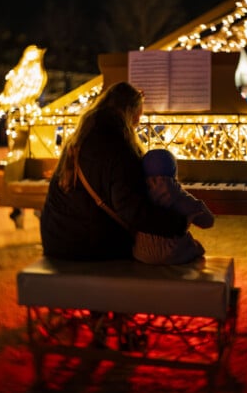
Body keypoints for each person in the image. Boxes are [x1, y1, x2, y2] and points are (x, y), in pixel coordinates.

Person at [39, 81, 188, 260]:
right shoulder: (116, 144)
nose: (137, 123)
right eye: (137, 118)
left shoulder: (82, 135)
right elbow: (131, 209)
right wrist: (178, 222)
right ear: (128, 111)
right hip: (87, 247)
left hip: (56, 239)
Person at [132, 148, 214, 264]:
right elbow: (208, 222)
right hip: (175, 253)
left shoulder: (138, 194)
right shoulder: (178, 196)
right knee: (196, 247)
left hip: (142, 253)